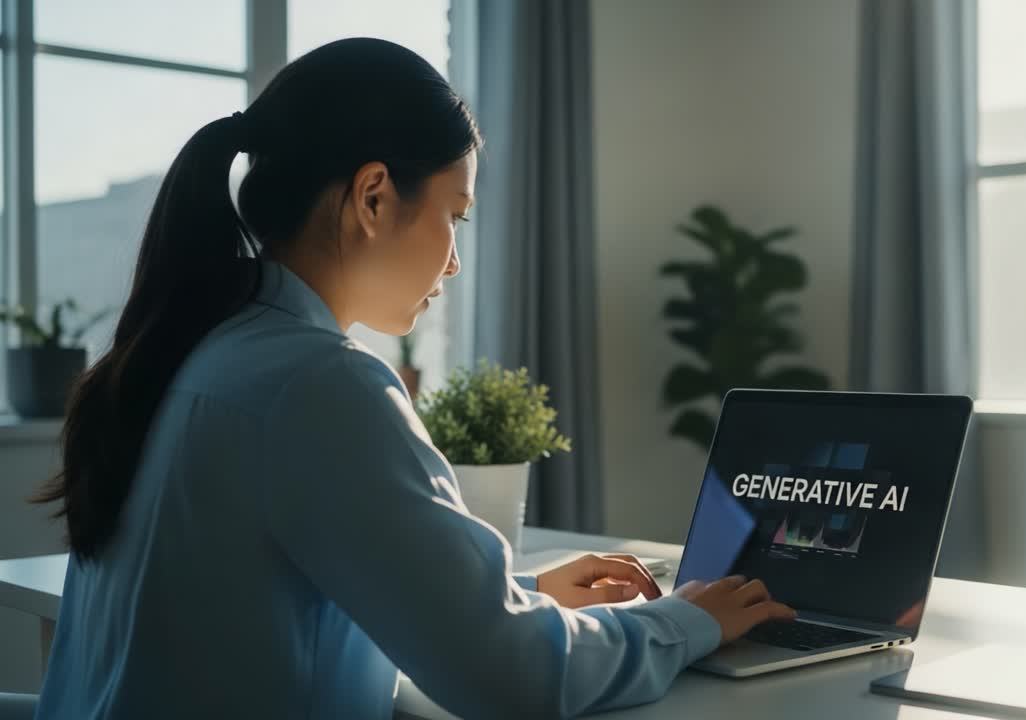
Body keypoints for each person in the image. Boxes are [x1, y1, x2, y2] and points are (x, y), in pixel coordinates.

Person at [31, 38, 793, 720]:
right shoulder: (319, 385)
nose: (454, 260)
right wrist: (689, 620)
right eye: (453, 216)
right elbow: (511, 678)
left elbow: (293, 588)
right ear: (372, 198)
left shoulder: (194, 350)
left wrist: (519, 597)